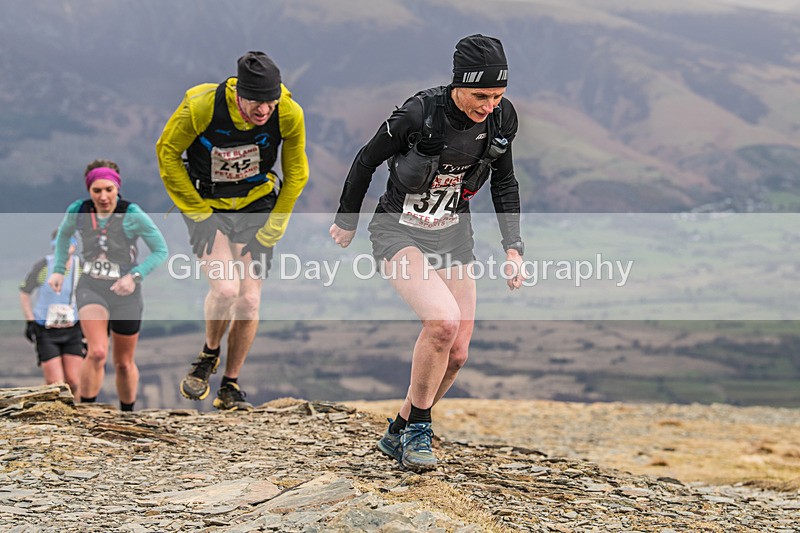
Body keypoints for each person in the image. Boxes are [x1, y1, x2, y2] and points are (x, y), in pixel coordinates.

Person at [330, 34, 525, 471]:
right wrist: (347, 219)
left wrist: (513, 247)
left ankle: (399, 429)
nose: (489, 105)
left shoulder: (501, 119)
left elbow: (504, 182)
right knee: (441, 323)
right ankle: (420, 429)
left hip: (454, 235)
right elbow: (366, 161)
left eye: (498, 96)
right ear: (459, 83)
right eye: (481, 95)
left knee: (457, 353)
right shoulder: (419, 113)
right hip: (398, 232)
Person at [156, 51, 309, 410]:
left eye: (270, 102)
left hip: (256, 204)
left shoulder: (288, 112)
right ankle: (209, 354)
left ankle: (230, 385)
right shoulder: (201, 108)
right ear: (238, 92)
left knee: (250, 299)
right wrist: (197, 214)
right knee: (225, 289)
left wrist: (274, 228)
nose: (263, 112)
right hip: (208, 205)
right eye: (256, 102)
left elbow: (297, 173)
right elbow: (167, 155)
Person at [48, 160, 168, 412]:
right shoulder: (78, 210)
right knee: (98, 352)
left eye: (109, 190)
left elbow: (160, 250)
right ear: (89, 191)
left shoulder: (132, 213)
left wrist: (134, 276)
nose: (103, 196)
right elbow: (63, 236)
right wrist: (59, 270)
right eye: (97, 190)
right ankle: (88, 412)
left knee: (123, 362)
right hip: (91, 287)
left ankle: (128, 413)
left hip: (125, 292)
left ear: (117, 189)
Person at [19, 232, 85, 398]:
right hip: (46, 329)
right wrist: (30, 320)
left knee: (74, 381)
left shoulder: (81, 267)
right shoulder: (44, 266)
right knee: (56, 383)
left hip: (73, 328)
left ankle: (75, 413)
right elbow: (25, 291)